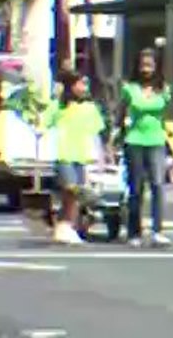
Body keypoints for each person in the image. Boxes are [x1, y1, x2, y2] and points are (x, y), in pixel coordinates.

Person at [117, 48, 171, 247]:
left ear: (156, 67)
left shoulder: (164, 89)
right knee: (136, 188)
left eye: (150, 65)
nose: (146, 69)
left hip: (157, 140)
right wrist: (114, 137)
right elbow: (120, 114)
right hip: (135, 140)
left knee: (158, 185)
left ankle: (157, 230)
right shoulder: (129, 88)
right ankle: (134, 232)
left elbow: (166, 113)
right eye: (143, 65)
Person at [48, 70, 106, 245]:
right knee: (71, 190)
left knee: (74, 196)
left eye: (85, 84)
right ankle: (66, 226)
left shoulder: (89, 108)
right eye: (80, 84)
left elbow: (97, 133)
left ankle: (66, 227)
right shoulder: (57, 106)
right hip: (62, 154)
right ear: (70, 86)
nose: (84, 88)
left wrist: (102, 156)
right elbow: (42, 124)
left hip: (81, 156)